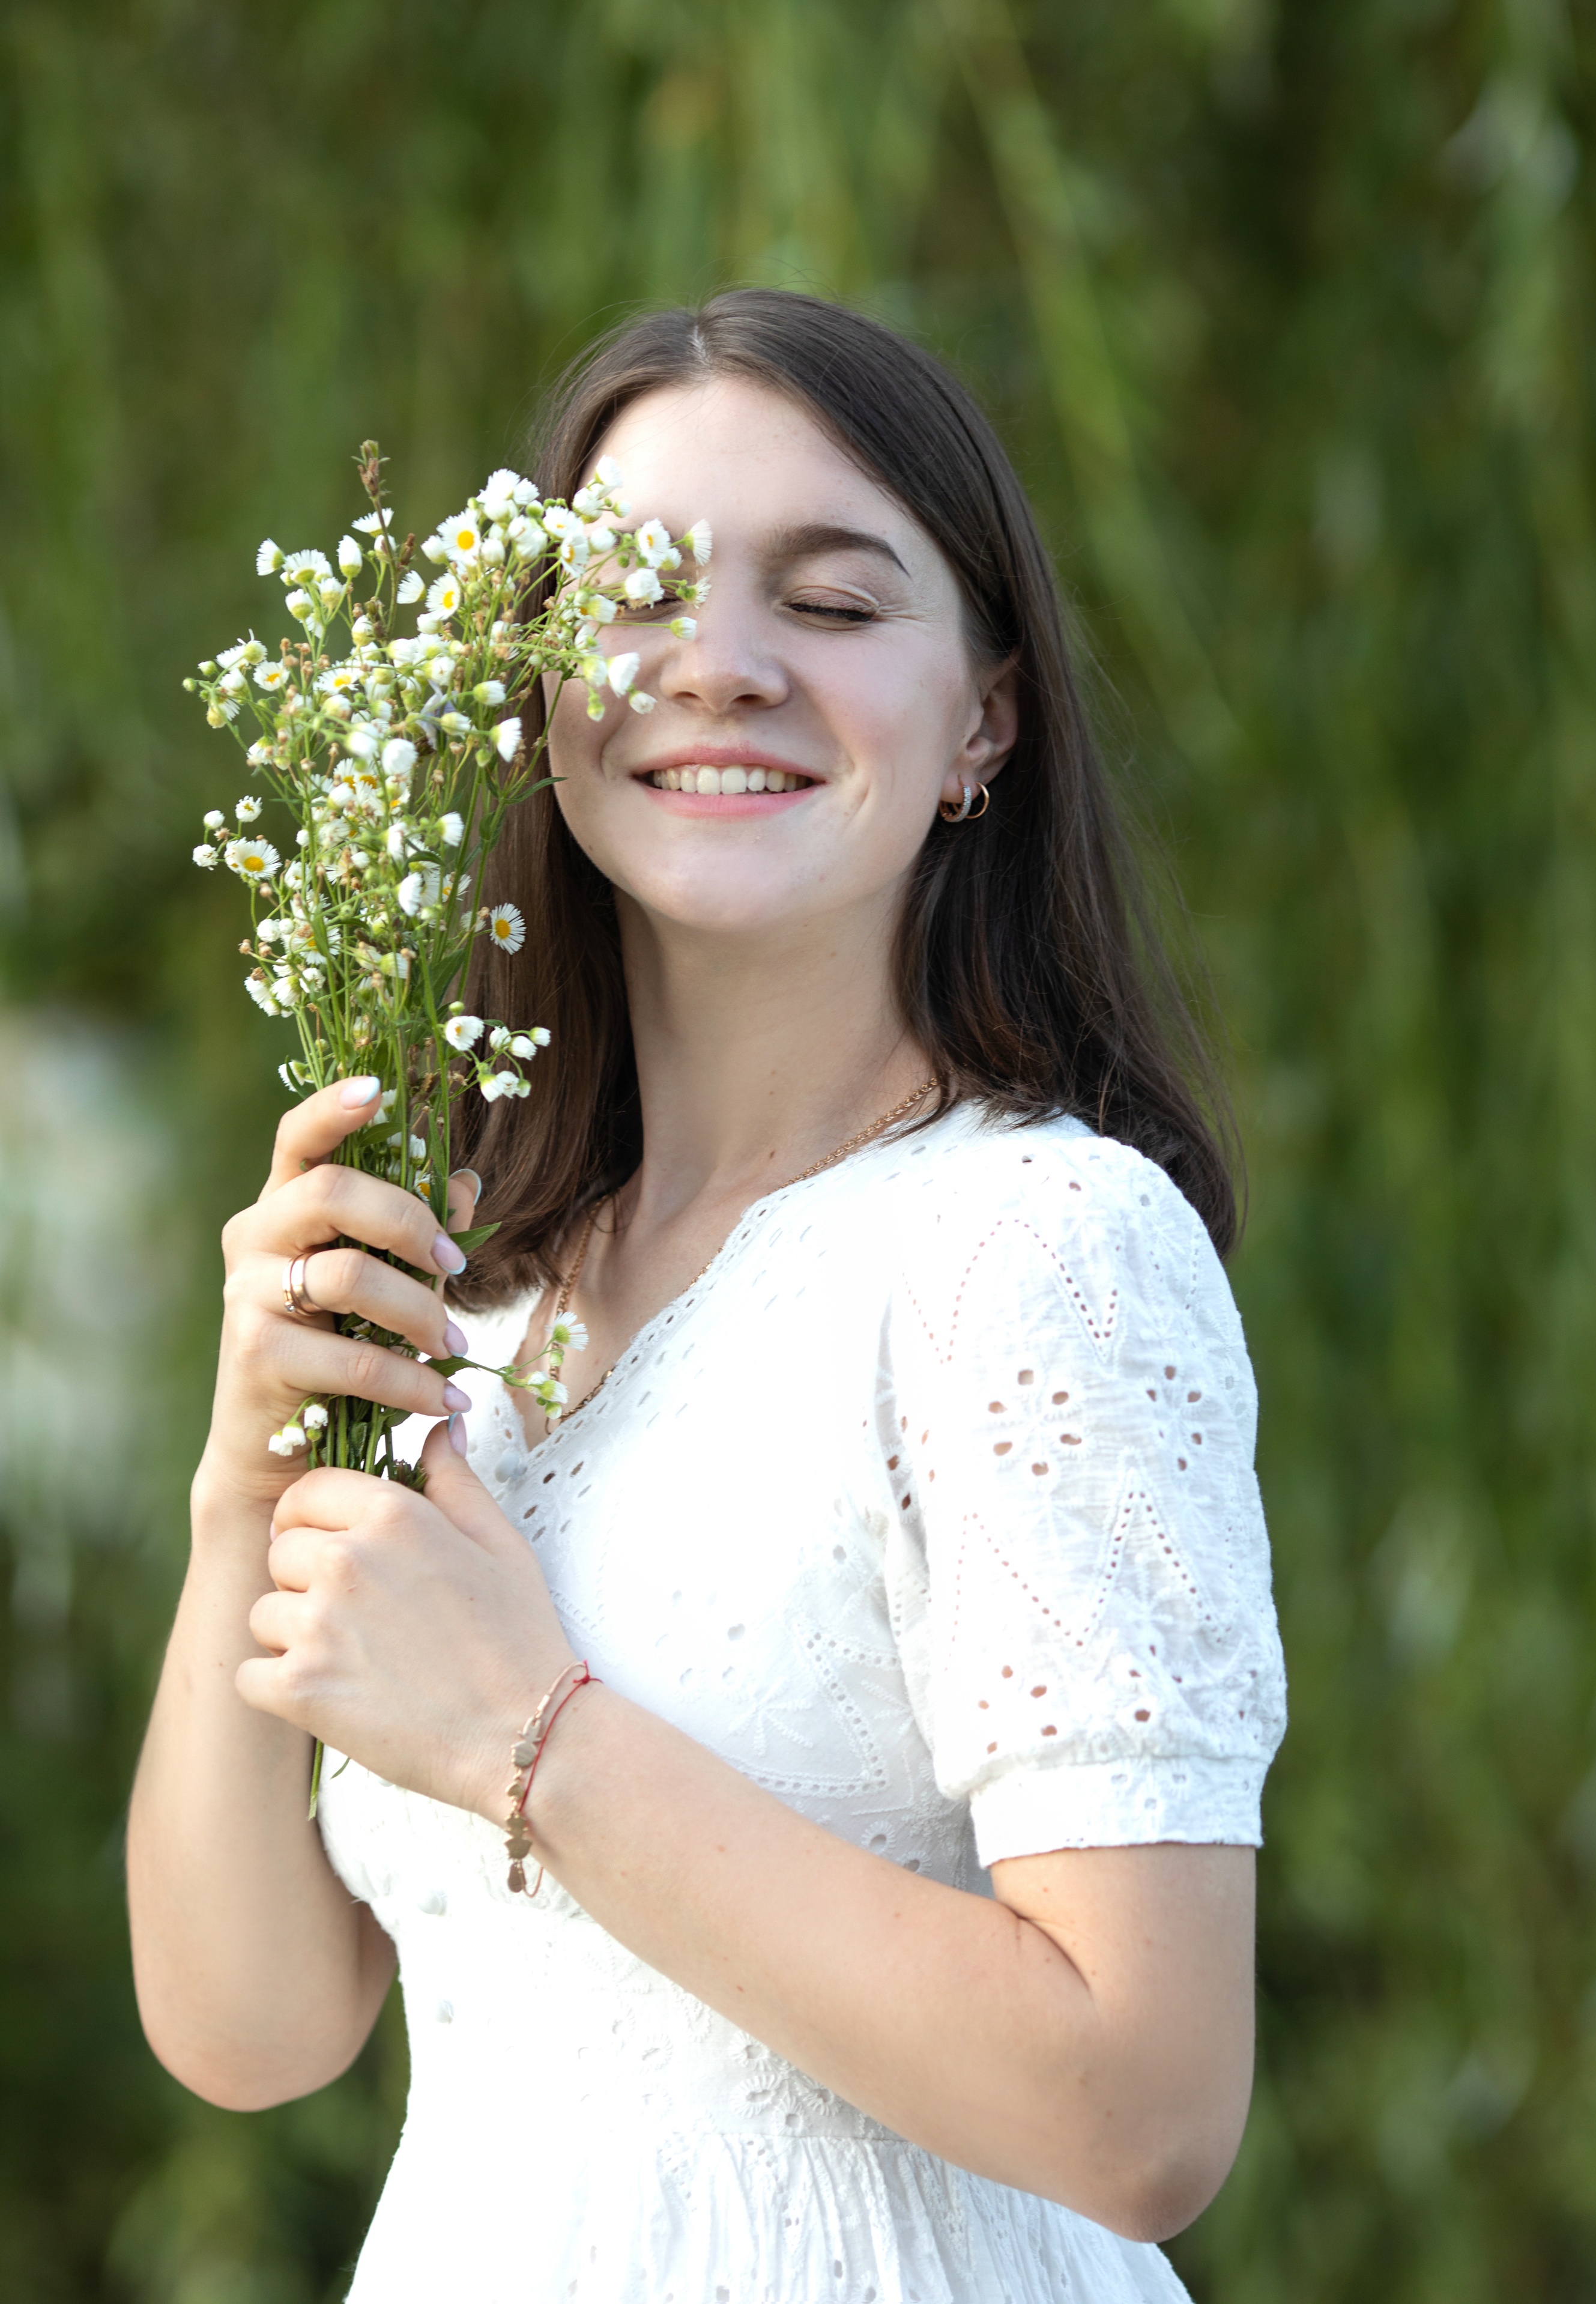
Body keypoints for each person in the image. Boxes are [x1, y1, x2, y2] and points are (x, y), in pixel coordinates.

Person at [128, 289, 1286, 2303]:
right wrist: (245, 1492)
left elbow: (1146, 2108)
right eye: (630, 590)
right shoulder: (475, 1287)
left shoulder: (1033, 1247)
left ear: (982, 723)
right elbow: (252, 2032)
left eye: (833, 604)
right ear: (532, 682)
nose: (717, 666)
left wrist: (529, 1728)